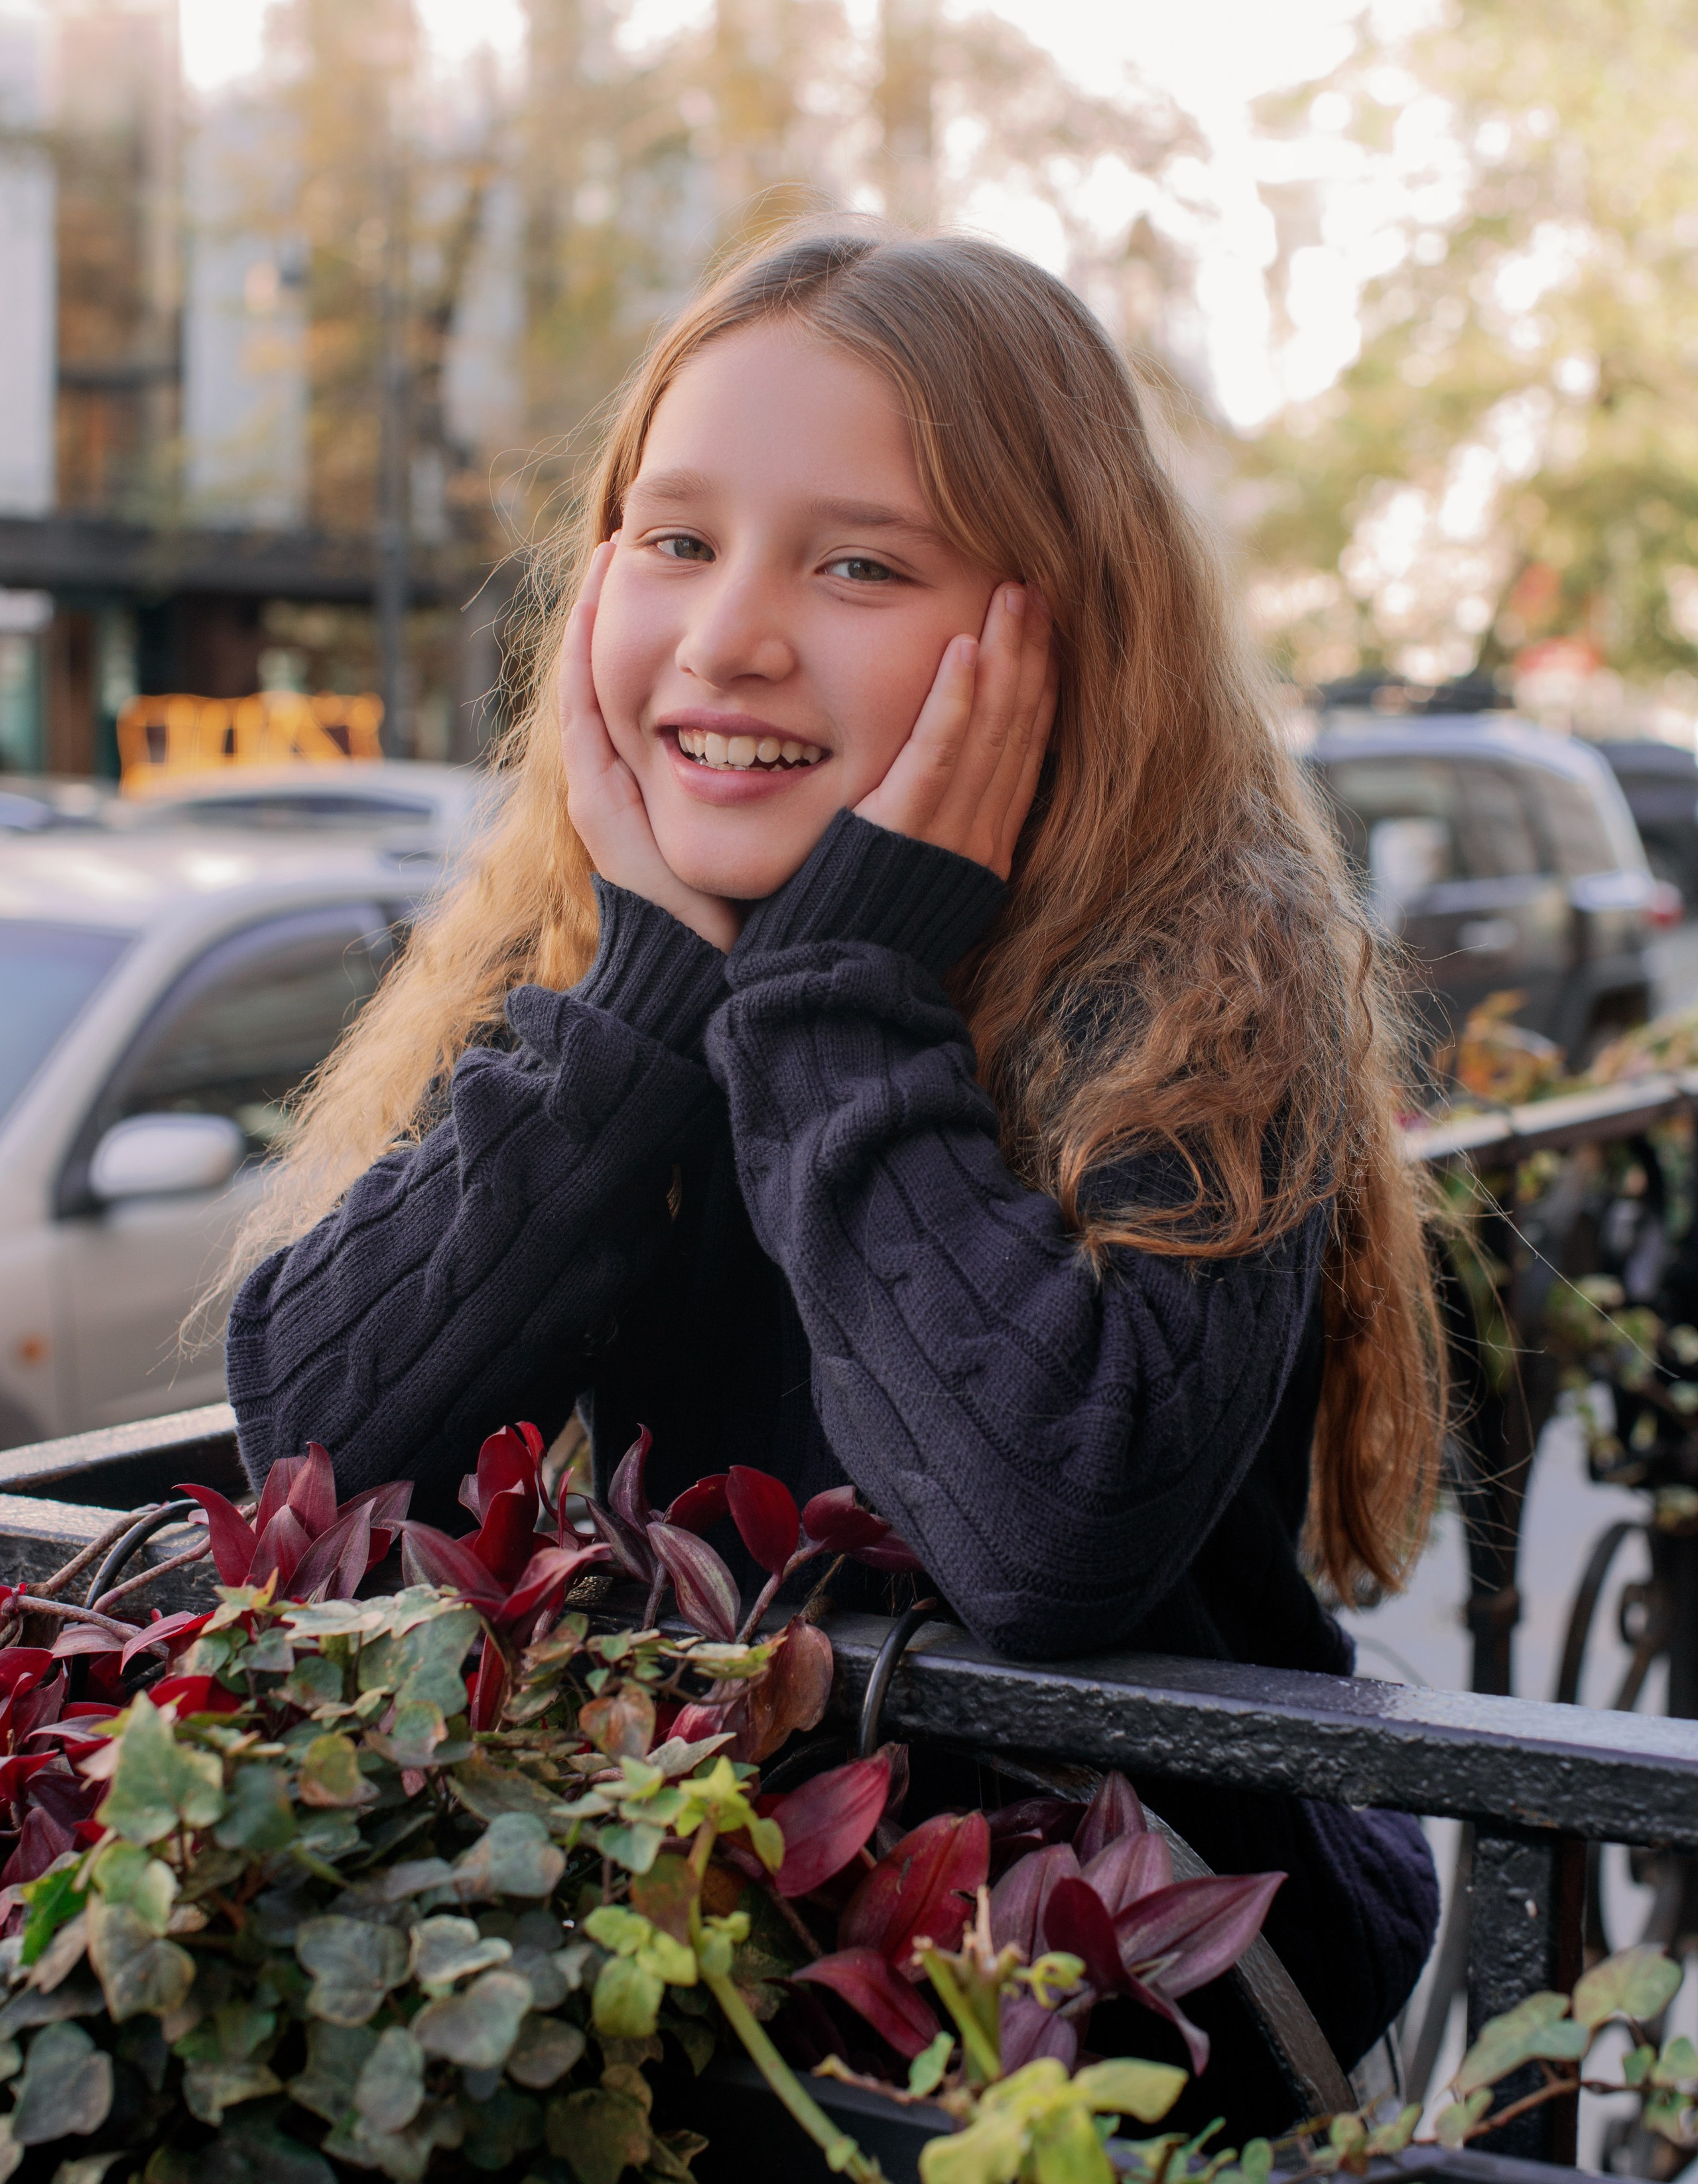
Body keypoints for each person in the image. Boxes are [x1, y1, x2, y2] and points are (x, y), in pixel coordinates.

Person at [222, 224, 1443, 2112]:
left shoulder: (1205, 974)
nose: (727, 638)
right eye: (678, 540)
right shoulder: (593, 937)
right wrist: (635, 1014)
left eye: (860, 562)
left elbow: (1049, 1527)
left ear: (1059, 629)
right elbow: (315, 1436)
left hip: (1108, 2047)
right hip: (668, 2005)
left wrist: (836, 995)